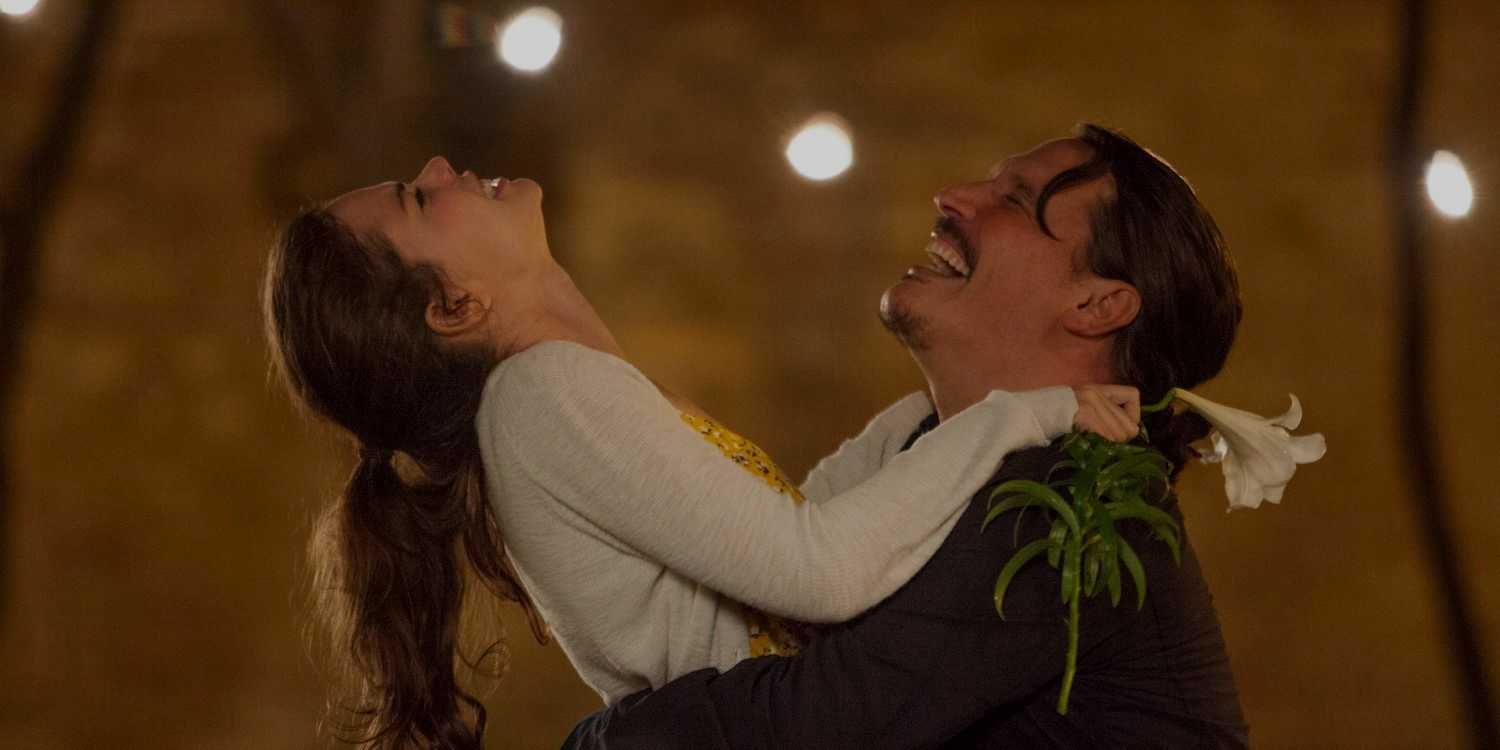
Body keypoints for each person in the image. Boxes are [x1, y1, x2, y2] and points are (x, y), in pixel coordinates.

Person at [262, 153, 1142, 746]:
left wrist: (940, 412)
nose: (438, 166)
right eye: (419, 200)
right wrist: (1024, 413)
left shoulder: (559, 391)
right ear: (454, 307)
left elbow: (793, 525)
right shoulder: (542, 395)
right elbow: (821, 572)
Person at [563, 123, 1250, 748]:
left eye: (1015, 200)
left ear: (1097, 304)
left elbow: (816, 725)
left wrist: (596, 741)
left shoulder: (1069, 499)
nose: (952, 196)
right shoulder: (926, 443)